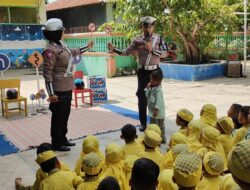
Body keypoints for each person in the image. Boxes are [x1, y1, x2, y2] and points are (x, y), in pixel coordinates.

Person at [108, 16, 167, 131]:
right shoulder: (137, 40)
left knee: (156, 97)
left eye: (151, 27)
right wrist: (114, 49)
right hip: (143, 72)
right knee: (142, 97)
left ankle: (155, 123)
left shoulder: (159, 39)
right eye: (146, 27)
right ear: (142, 27)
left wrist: (152, 49)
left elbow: (165, 53)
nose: (148, 29)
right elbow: (125, 52)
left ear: (154, 27)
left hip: (155, 71)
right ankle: (143, 123)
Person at [42, 18, 93, 151]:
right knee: (58, 117)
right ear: (56, 32)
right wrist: (51, 94)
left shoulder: (60, 44)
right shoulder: (50, 50)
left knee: (65, 115)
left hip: (67, 86)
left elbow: (72, 52)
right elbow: (47, 73)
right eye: (61, 30)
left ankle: (63, 139)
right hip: (58, 89)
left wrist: (87, 47)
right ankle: (57, 142)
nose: (63, 32)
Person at [145, 69, 166, 143]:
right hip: (152, 113)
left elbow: (159, 101)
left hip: (157, 113)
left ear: (158, 81)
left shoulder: (159, 90)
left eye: (152, 79)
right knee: (154, 126)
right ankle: (156, 139)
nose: (150, 80)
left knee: (159, 127)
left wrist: (156, 110)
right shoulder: (152, 87)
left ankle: (160, 140)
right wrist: (148, 88)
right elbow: (147, 96)